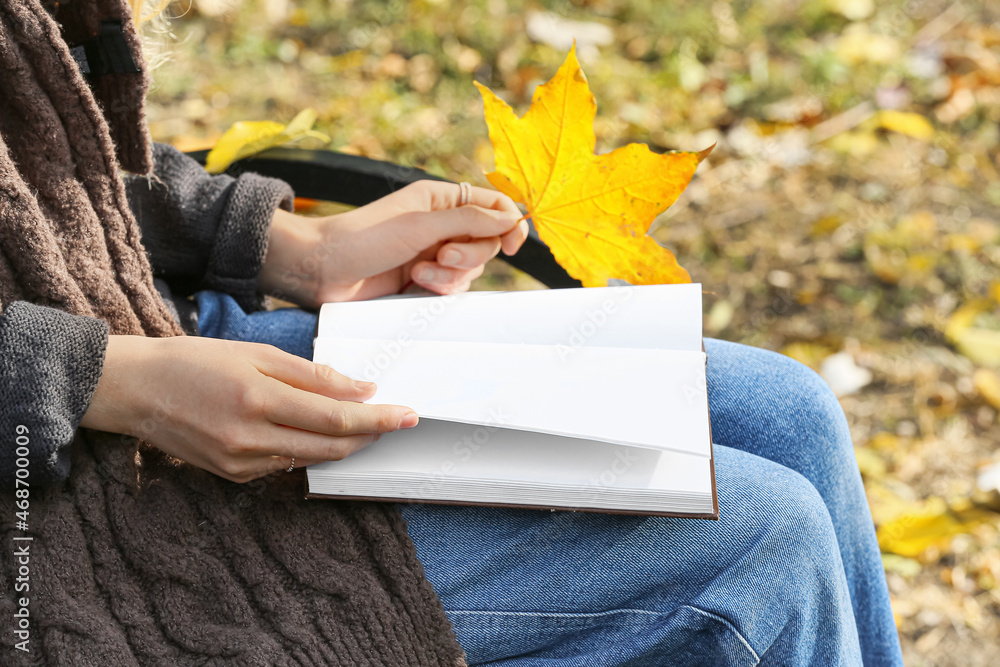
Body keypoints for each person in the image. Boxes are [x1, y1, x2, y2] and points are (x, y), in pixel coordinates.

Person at [0, 0, 904, 664]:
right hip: (54, 487)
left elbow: (51, 146)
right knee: (761, 543)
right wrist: (109, 382)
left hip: (147, 318)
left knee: (787, 410)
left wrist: (290, 246)